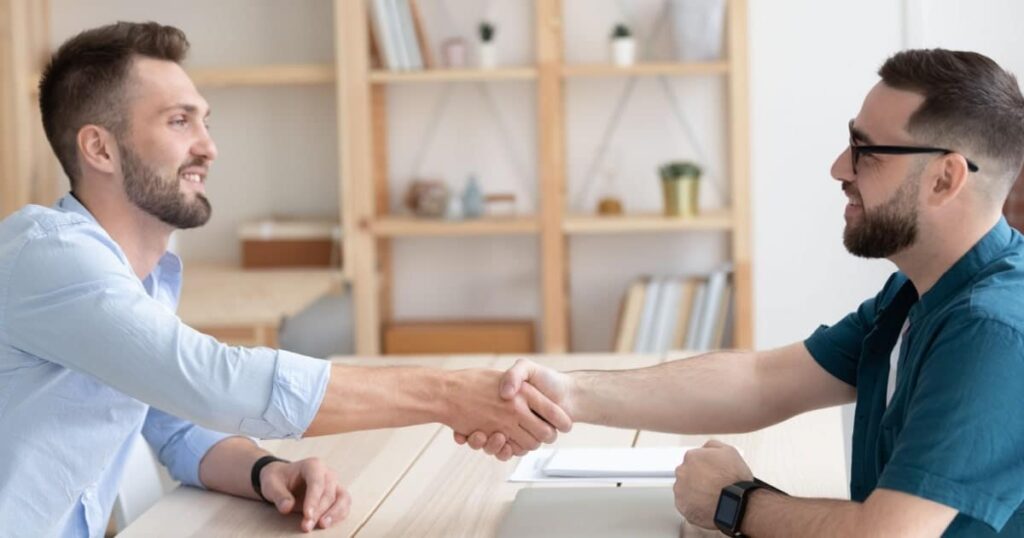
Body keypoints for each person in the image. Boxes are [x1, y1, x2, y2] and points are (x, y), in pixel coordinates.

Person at [0, 22, 569, 537]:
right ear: (99, 147)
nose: (209, 146)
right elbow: (213, 385)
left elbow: (174, 424)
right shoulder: (50, 257)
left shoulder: (135, 279)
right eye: (179, 121)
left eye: (204, 120)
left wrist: (267, 471)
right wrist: (448, 395)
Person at [462, 48, 1024, 537]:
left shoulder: (992, 330)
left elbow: (886, 534)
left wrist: (738, 503)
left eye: (865, 151)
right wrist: (568, 394)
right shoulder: (916, 294)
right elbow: (762, 382)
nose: (838, 168)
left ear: (945, 179)